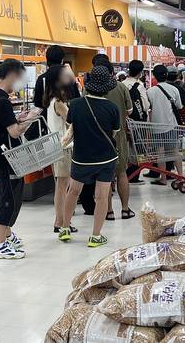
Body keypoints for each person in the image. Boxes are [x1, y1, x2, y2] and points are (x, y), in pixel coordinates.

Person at [59, 66, 120, 247]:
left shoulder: (76, 104)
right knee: (101, 196)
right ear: (107, 88)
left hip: (81, 157)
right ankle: (95, 236)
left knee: (72, 192)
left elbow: (71, 127)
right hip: (105, 159)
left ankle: (64, 228)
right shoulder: (112, 108)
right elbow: (114, 133)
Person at [0, 59, 32, 260]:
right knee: (8, 199)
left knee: (5, 194)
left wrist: (16, 118)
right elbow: (13, 133)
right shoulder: (2, 101)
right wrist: (27, 121)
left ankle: (7, 236)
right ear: (12, 75)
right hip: (7, 157)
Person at [90, 55, 134, 221]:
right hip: (119, 135)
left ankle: (108, 211)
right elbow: (129, 111)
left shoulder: (88, 89)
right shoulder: (121, 87)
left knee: (104, 176)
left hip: (97, 136)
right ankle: (125, 209)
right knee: (121, 172)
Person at [43, 65, 79, 234]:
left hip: (56, 146)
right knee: (63, 185)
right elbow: (73, 118)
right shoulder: (59, 103)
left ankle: (61, 220)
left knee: (61, 185)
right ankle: (61, 221)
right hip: (63, 147)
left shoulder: (51, 101)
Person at [146, 65, 183, 185]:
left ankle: (163, 178)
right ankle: (180, 176)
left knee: (160, 153)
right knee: (175, 151)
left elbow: (147, 107)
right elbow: (179, 106)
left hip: (156, 127)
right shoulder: (173, 89)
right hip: (171, 125)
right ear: (166, 75)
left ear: (155, 77)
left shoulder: (150, 91)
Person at [122, 60, 150, 184]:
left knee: (126, 149)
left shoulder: (121, 84)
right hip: (138, 123)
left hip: (124, 122)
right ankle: (134, 175)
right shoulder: (139, 86)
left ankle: (124, 174)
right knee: (139, 149)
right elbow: (145, 105)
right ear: (140, 72)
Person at [33, 45, 80, 111]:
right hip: (67, 116)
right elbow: (76, 98)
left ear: (47, 59)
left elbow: (37, 103)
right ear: (62, 60)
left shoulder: (41, 78)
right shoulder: (69, 77)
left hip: (47, 118)